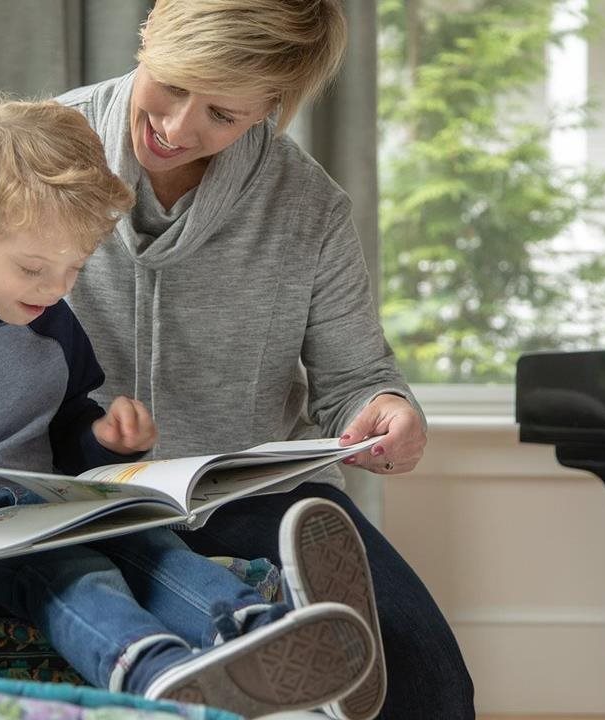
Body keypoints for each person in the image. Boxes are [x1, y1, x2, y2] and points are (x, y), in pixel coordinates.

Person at [0, 94, 379, 716]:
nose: (58, 290)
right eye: (35, 268)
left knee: (153, 545)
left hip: (44, 513)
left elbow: (67, 429)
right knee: (72, 574)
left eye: (74, 268)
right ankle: (156, 673)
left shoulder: (51, 323)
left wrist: (106, 440)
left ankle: (262, 631)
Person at [48, 1, 477, 717]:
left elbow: (356, 380)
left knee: (428, 677)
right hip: (68, 494)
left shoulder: (310, 207)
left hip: (242, 496)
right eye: (174, 85)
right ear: (151, 33)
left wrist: (387, 412)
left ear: (269, 110)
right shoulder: (35, 151)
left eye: (221, 113)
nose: (179, 127)